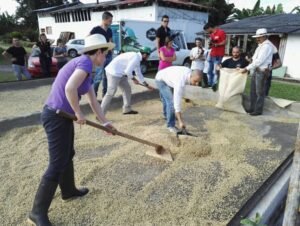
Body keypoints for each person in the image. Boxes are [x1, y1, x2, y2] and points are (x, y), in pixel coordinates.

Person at [27, 34, 115, 226]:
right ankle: (37, 212)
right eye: (106, 53)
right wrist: (78, 112)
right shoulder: (84, 62)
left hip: (63, 116)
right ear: (98, 52)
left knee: (68, 154)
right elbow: (69, 88)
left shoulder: (88, 69)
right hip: (55, 115)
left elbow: (93, 101)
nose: (107, 57)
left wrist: (105, 123)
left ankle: (68, 191)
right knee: (57, 162)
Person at [101, 47, 153, 115]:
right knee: (110, 93)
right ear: (145, 55)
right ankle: (100, 114)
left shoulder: (137, 58)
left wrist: (146, 85)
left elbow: (138, 73)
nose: (148, 58)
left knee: (127, 89)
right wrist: (134, 79)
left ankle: (127, 109)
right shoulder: (136, 58)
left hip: (121, 73)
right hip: (113, 72)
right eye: (148, 56)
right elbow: (128, 71)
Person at [155, 66, 202, 133]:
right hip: (161, 80)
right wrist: (180, 121)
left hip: (167, 77)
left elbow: (182, 90)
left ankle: (166, 115)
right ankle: (170, 126)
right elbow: (176, 102)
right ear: (191, 76)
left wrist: (186, 98)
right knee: (171, 103)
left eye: (198, 82)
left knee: (167, 100)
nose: (197, 84)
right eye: (195, 81)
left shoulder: (189, 73)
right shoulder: (180, 81)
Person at [240, 28, 273, 116]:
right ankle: (252, 108)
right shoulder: (261, 45)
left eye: (259, 37)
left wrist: (247, 68)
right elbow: (255, 59)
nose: (257, 39)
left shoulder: (267, 46)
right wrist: (250, 63)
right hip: (256, 70)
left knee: (259, 92)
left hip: (262, 71)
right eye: (257, 37)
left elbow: (259, 61)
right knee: (253, 91)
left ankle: (257, 110)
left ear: (264, 36)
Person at [90, 11, 114, 97]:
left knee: (106, 76)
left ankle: (105, 95)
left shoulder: (110, 30)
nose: (111, 22)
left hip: (108, 56)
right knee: (98, 76)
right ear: (104, 19)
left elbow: (110, 41)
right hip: (99, 57)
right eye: (110, 20)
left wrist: (111, 48)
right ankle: (93, 95)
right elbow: (87, 38)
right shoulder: (96, 29)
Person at [203, 23, 226, 91]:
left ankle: (214, 85)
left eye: (207, 30)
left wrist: (217, 44)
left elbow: (224, 42)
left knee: (215, 71)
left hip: (218, 54)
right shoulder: (212, 34)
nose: (207, 32)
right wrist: (211, 44)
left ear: (210, 27)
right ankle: (209, 84)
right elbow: (213, 44)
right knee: (209, 71)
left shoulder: (221, 32)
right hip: (212, 54)